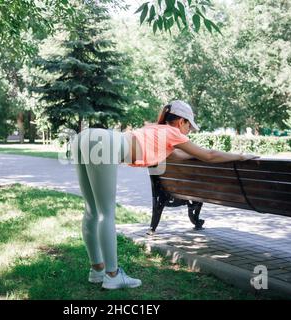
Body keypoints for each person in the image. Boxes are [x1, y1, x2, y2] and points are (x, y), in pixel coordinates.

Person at [70, 100, 259, 290]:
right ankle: (112, 275)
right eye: (189, 127)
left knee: (92, 210)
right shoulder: (173, 133)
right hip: (105, 142)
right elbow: (208, 155)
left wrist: (195, 153)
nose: (189, 132)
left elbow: (180, 155)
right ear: (180, 122)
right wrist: (241, 156)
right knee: (106, 213)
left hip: (84, 138)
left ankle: (97, 270)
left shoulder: (157, 131)